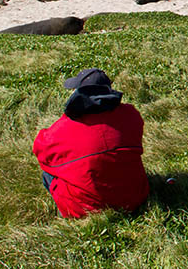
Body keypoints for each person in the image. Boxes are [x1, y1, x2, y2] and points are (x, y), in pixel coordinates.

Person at [32, 68, 148, 218]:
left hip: (86, 208)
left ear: (79, 93)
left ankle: (67, 210)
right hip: (134, 200)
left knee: (49, 172)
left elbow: (40, 150)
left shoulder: (65, 128)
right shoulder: (131, 115)